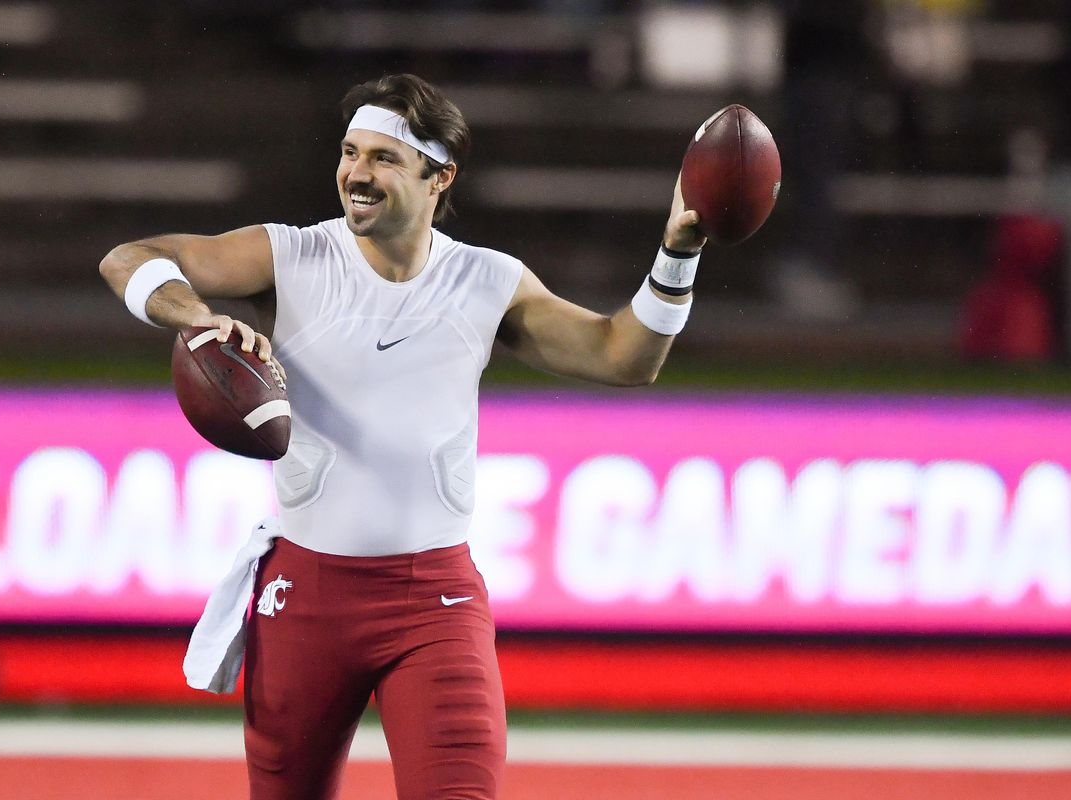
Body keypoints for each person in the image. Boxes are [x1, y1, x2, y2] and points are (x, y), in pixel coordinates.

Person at [98, 73, 705, 800]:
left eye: (383, 157)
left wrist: (678, 250)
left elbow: (624, 356)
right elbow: (127, 258)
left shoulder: (485, 281)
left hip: (434, 603)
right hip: (305, 592)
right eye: (350, 152)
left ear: (438, 175)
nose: (356, 172)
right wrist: (195, 314)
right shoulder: (291, 256)